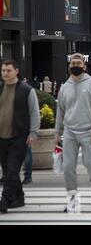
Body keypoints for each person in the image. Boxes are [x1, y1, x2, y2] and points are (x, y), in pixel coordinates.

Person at [55, 53, 91, 212]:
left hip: (89, 131)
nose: (75, 66)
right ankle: (72, 200)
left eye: (79, 63)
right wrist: (58, 132)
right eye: (73, 63)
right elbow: (60, 111)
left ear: (84, 66)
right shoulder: (64, 87)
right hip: (70, 132)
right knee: (69, 166)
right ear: (69, 66)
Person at [0, 60, 40, 214]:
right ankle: (19, 197)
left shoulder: (26, 90)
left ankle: (5, 200)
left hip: (19, 137)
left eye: (8, 70)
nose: (5, 73)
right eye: (3, 70)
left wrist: (33, 133)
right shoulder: (0, 88)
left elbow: (34, 113)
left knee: (11, 170)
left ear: (16, 71)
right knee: (8, 170)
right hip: (2, 138)